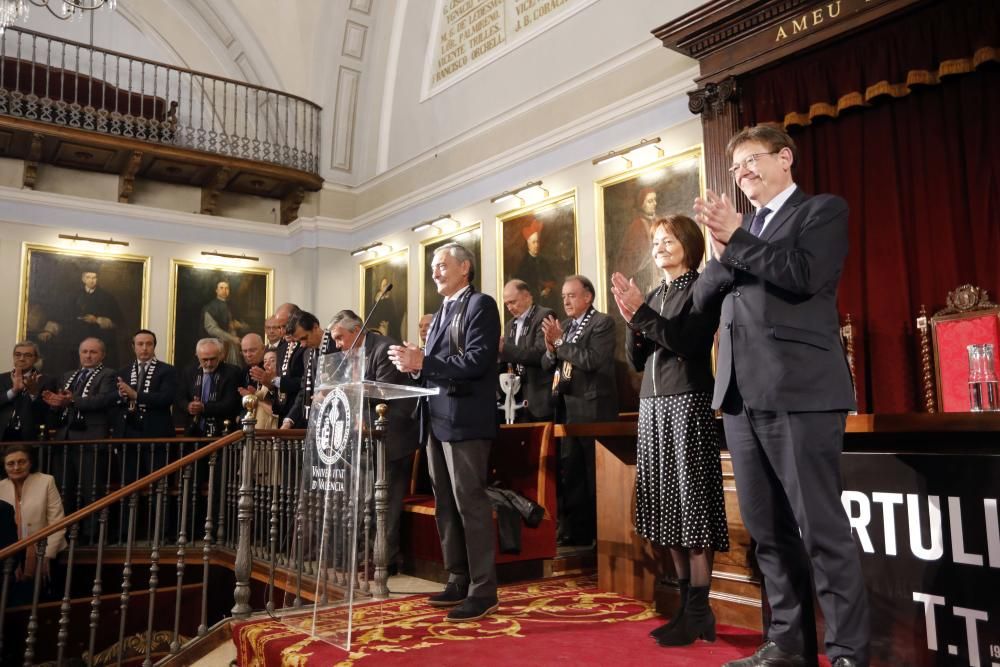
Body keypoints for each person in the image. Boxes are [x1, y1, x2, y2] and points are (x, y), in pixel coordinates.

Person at [693, 124, 868, 667]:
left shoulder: (821, 211)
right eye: (737, 169)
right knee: (767, 533)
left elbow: (802, 275)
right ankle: (789, 644)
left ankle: (846, 655)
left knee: (821, 531)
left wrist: (738, 239)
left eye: (752, 162)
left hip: (800, 392)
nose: (743, 175)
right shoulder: (740, 234)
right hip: (742, 398)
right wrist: (723, 247)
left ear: (785, 158)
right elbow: (703, 299)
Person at [610, 215, 729, 647]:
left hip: (688, 403)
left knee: (692, 507)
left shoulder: (701, 287)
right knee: (668, 508)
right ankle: (687, 607)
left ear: (690, 244)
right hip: (653, 408)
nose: (659, 246)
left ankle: (700, 610)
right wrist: (631, 317)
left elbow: (688, 342)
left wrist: (642, 313)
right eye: (656, 241)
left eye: (669, 239)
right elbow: (639, 360)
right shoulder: (657, 293)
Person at [388, 242, 500, 622]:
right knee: (446, 505)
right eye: (433, 266)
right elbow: (435, 366)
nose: (435, 272)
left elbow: (476, 360)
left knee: (470, 502)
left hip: (465, 419)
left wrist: (425, 361)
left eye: (442, 265)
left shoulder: (480, 306)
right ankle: (457, 577)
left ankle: (483, 589)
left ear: (465, 268)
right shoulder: (438, 314)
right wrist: (413, 366)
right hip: (435, 420)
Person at [329, 309, 420, 575]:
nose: (337, 345)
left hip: (393, 438)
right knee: (366, 501)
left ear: (356, 331)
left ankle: (385, 560)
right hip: (365, 439)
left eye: (339, 338)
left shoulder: (385, 349)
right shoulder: (351, 354)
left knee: (386, 503)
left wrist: (355, 406)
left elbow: (383, 396)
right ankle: (365, 555)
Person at [540, 275, 618, 546]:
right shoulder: (568, 328)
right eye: (563, 296)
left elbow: (592, 360)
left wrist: (560, 344)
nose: (566, 301)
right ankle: (576, 530)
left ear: (588, 297)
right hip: (568, 408)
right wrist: (551, 349)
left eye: (571, 295)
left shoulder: (602, 323)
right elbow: (548, 363)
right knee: (571, 473)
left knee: (593, 474)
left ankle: (601, 533)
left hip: (593, 408)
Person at [0, 444, 67, 599]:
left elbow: (57, 522)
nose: (16, 467)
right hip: (10, 553)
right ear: (4, 467)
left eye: (22, 462)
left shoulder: (46, 481)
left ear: (30, 463)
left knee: (42, 597)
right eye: (10, 463)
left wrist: (47, 555)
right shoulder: (0, 487)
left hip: (45, 549)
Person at [498, 279, 554, 422]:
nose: (509, 307)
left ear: (527, 297)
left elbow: (540, 354)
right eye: (507, 304)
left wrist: (504, 348)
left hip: (539, 397)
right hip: (517, 398)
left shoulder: (544, 315)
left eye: (513, 302)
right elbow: (509, 358)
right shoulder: (510, 325)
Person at [114, 329, 177, 439]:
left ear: (154, 346)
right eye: (140, 344)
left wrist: (135, 395)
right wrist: (120, 394)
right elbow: (113, 401)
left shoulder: (167, 370)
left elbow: (166, 398)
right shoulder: (123, 372)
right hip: (128, 431)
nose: (144, 348)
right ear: (133, 347)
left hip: (156, 431)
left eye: (149, 344)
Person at [176, 338, 242, 437]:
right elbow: (179, 398)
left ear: (220, 355)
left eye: (213, 359)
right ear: (197, 356)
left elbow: (231, 403)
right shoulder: (189, 372)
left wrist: (204, 407)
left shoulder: (232, 372)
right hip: (193, 431)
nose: (209, 363)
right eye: (205, 360)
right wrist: (188, 406)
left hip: (223, 431)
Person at [280, 311, 333, 429]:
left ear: (315, 327)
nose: (302, 345)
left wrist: (327, 395)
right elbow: (304, 390)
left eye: (304, 338)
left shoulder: (336, 344)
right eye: (299, 341)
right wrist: (289, 419)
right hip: (314, 421)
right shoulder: (307, 353)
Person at [1, 341, 55, 441]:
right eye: (18, 355)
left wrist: (33, 393)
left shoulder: (46, 380)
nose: (21, 359)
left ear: (36, 359)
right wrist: (14, 390)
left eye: (27, 355)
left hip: (30, 435)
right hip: (3, 433)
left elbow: (47, 412)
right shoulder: (2, 378)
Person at [615, 187, 662, 295]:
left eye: (655, 200)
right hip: (642, 276)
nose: (654, 203)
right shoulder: (637, 225)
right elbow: (628, 258)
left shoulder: (660, 221)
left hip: (660, 273)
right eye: (650, 201)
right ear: (642, 204)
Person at [513, 217, 560, 314]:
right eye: (533, 242)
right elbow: (520, 286)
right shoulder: (524, 264)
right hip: (531, 303)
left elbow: (552, 280)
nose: (536, 245)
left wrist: (548, 289)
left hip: (546, 302)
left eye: (537, 242)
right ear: (528, 244)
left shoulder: (544, 261)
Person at [200, 280, 247, 366]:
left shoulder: (233, 305)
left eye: (227, 288)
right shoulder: (210, 307)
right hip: (219, 345)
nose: (224, 290)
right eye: (221, 288)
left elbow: (246, 325)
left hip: (234, 346)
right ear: (216, 290)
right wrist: (232, 338)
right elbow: (212, 329)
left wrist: (240, 325)